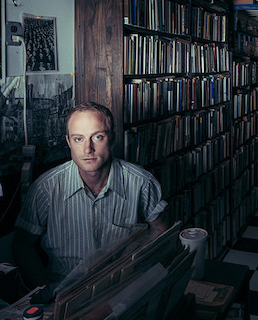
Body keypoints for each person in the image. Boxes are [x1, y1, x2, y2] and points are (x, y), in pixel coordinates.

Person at [12, 101, 169, 293]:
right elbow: (22, 245)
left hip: (121, 288)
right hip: (64, 292)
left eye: (98, 137)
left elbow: (160, 230)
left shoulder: (142, 182)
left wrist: (136, 271)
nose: (88, 148)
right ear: (68, 142)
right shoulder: (46, 188)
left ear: (112, 138)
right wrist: (47, 291)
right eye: (79, 139)